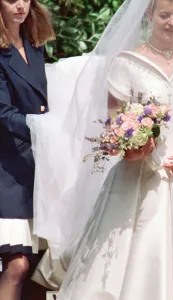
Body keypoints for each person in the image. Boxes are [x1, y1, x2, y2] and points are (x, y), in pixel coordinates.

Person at [26, 0, 173, 298]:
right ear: (149, 15)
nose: (171, 22)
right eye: (164, 15)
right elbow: (113, 124)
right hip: (139, 175)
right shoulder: (127, 63)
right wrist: (130, 147)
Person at [0, 0, 55, 299]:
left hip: (40, 166)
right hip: (7, 167)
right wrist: (45, 129)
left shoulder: (35, 45)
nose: (20, 5)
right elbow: (3, 113)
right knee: (17, 264)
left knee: (38, 269)